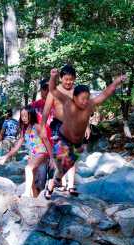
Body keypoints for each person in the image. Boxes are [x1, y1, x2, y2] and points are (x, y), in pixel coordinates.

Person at [43, 68, 125, 199]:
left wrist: (116, 82)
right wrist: (53, 76)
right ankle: (52, 184)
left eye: (87, 98)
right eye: (82, 99)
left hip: (77, 143)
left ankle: (51, 186)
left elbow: (105, 94)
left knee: (62, 172)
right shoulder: (67, 102)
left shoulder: (90, 105)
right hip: (63, 138)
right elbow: (53, 90)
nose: (85, 101)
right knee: (59, 167)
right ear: (74, 98)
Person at [40, 64, 90, 196]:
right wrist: (43, 127)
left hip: (74, 126)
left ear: (74, 79)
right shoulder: (55, 91)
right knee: (61, 156)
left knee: (72, 155)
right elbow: (46, 110)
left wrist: (87, 126)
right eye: (66, 79)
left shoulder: (77, 92)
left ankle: (71, 185)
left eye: (71, 79)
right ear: (61, 78)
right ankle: (56, 183)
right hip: (58, 126)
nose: (69, 82)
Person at [0, 107, 48, 197]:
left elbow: (46, 141)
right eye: (22, 116)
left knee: (28, 169)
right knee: (30, 178)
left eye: (26, 115)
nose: (24, 118)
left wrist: (52, 158)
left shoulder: (37, 126)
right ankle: (34, 197)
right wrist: (6, 157)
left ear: (31, 115)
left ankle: (26, 193)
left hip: (42, 153)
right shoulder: (24, 130)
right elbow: (16, 147)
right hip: (32, 155)